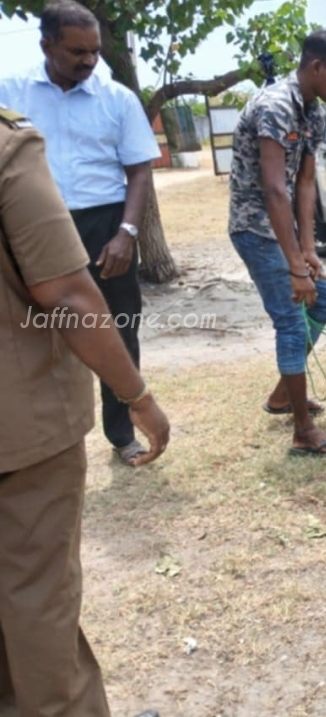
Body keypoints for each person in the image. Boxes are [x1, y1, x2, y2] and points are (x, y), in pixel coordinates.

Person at [0, 105, 169, 716]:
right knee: (36, 600)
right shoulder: (8, 146)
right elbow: (68, 294)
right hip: (20, 431)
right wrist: (138, 397)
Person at [0, 0, 162, 465]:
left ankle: (122, 433)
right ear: (47, 45)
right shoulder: (10, 95)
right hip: (28, 227)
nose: (90, 60)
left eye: (94, 51)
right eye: (78, 52)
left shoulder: (118, 99)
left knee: (119, 329)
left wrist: (127, 233)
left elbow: (139, 172)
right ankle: (40, 439)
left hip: (105, 226)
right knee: (32, 333)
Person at [228, 29, 326, 456]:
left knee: (322, 303)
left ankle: (284, 394)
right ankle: (303, 431)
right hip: (255, 228)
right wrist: (294, 265)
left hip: (283, 231)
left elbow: (304, 185)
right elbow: (272, 189)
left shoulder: (312, 113)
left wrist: (307, 249)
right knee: (290, 318)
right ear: (316, 67)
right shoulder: (275, 106)